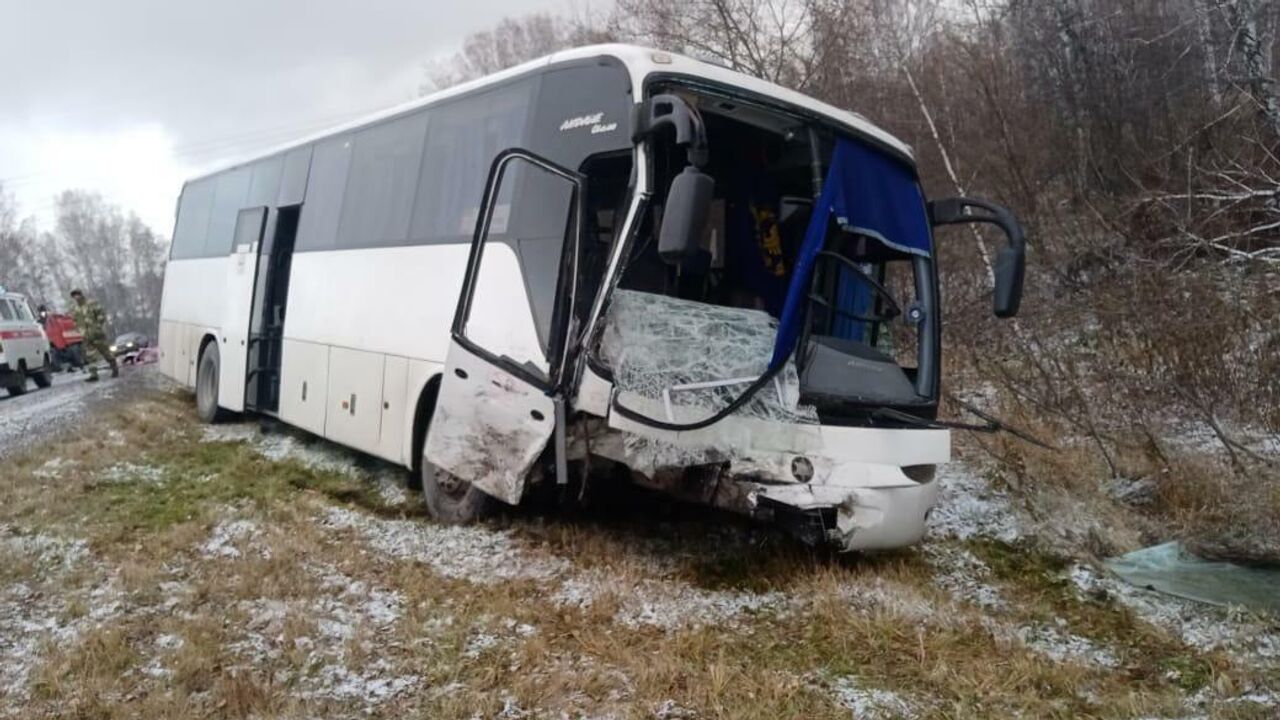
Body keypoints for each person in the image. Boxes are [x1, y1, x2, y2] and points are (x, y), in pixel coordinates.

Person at [69, 289, 118, 382]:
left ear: (81, 295)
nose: (76, 297)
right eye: (74, 296)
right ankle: (93, 374)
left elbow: (101, 314)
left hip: (97, 333)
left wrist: (98, 325)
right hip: (86, 336)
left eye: (77, 295)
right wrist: (79, 330)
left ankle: (114, 367)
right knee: (90, 356)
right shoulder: (75, 309)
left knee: (105, 352)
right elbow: (75, 321)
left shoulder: (92, 304)